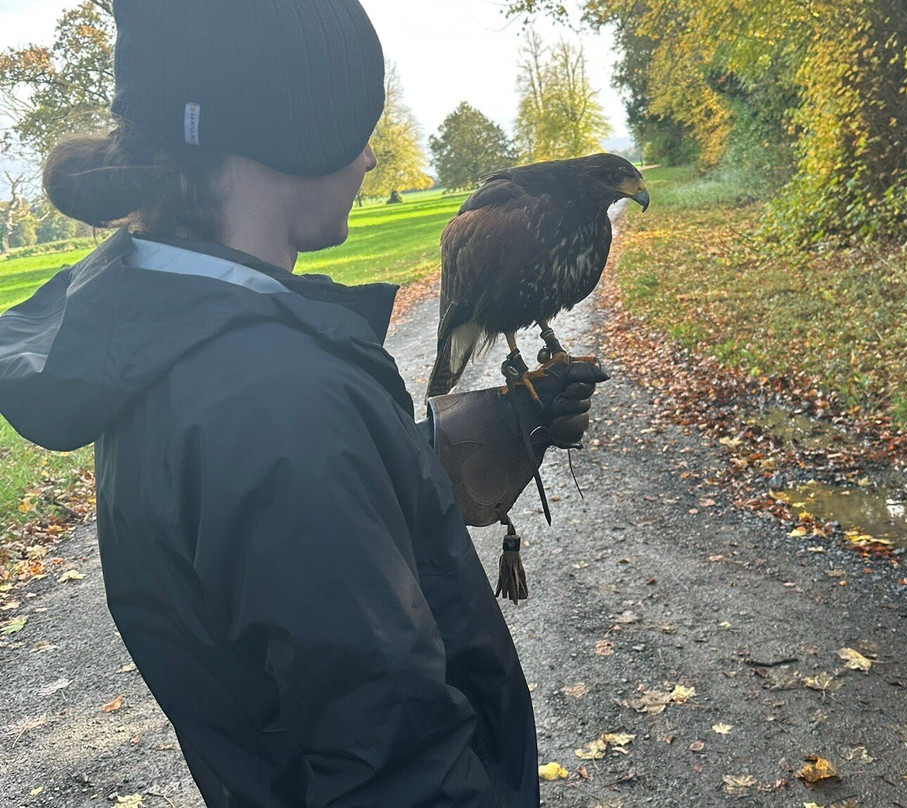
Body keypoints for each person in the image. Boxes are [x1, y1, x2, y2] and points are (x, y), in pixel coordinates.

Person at [0, 2, 607, 806]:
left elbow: (287, 554)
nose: (369, 158)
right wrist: (333, 446)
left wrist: (442, 449)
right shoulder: (274, 404)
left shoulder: (184, 342)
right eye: (356, 126)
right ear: (293, 133)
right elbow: (394, 764)